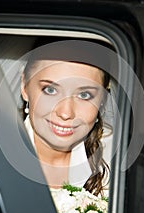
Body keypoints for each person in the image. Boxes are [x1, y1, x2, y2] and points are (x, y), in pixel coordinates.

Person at [20, 39, 112, 197]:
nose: (65, 113)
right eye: (50, 90)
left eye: (84, 95)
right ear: (25, 87)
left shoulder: (116, 158)